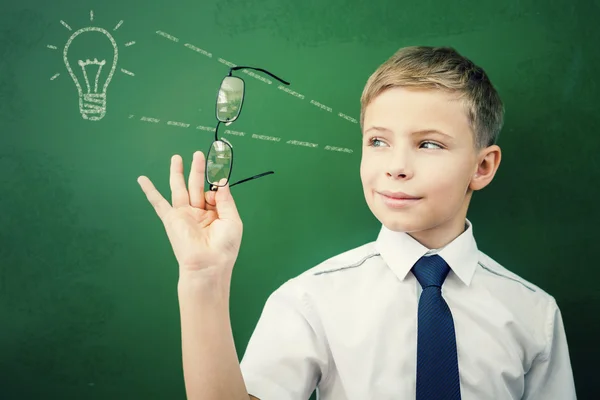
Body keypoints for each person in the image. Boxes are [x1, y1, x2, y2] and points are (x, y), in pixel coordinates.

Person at [137, 46, 577, 400]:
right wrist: (203, 280)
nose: (397, 167)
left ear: (482, 167)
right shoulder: (310, 299)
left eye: (428, 144)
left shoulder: (533, 314)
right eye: (378, 141)